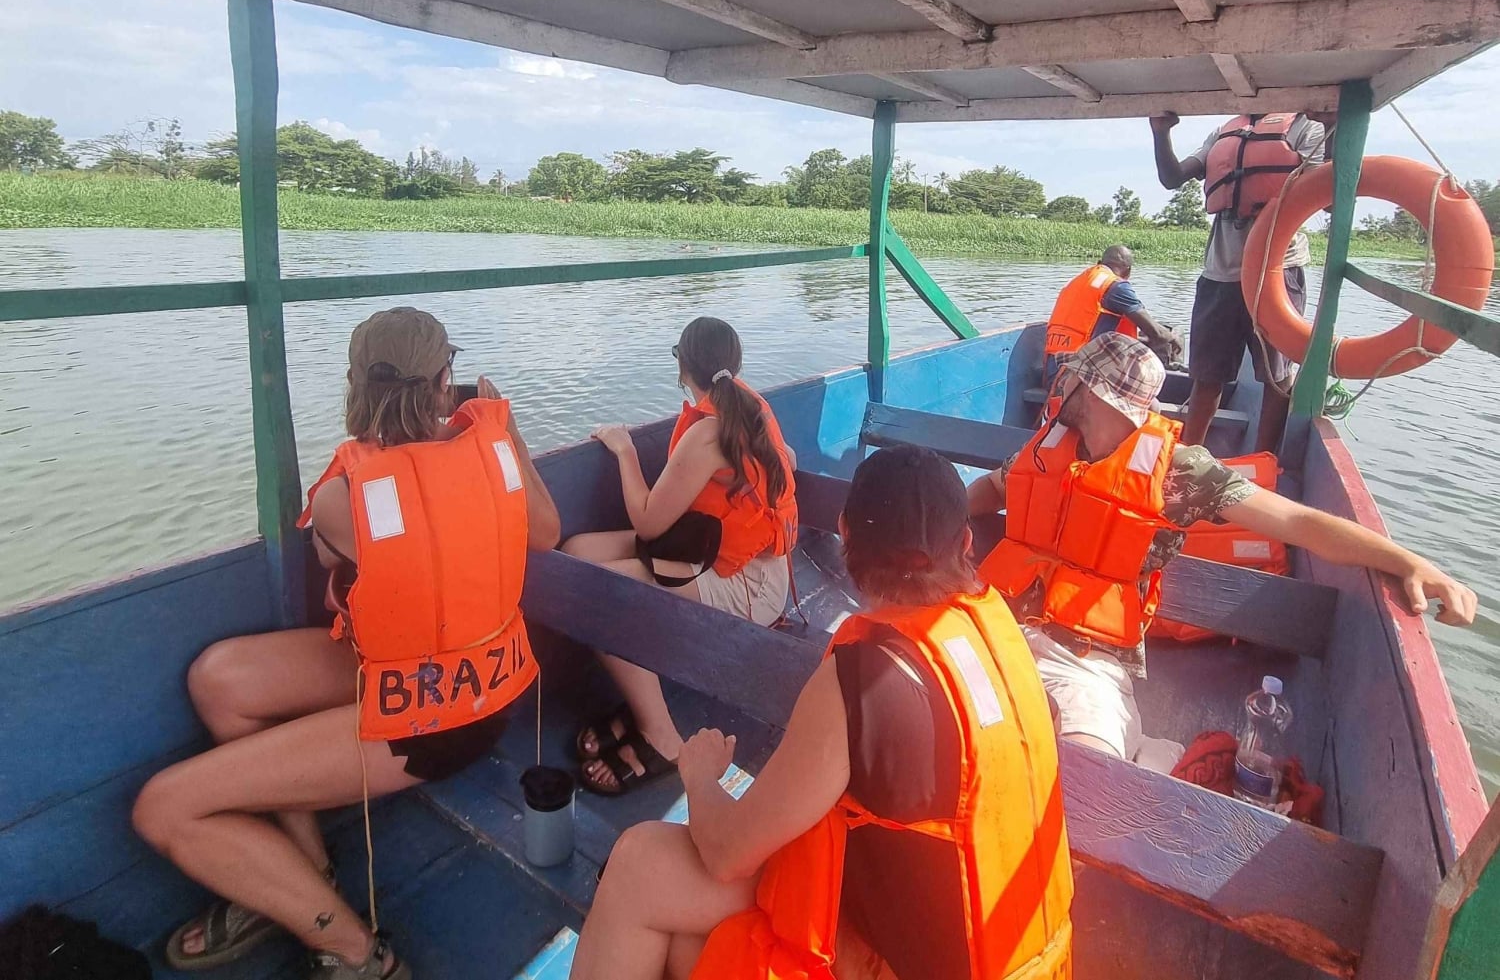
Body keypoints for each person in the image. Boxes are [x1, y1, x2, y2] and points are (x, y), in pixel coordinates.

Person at [132, 307, 560, 980]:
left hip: (434, 722)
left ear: (354, 383)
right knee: (220, 678)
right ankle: (299, 875)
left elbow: (366, 544)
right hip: (441, 678)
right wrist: (504, 427)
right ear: (447, 381)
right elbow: (546, 530)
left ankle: (360, 954)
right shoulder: (492, 451)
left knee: (164, 807)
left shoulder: (342, 493)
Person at [569, 446, 1073, 980]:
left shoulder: (866, 681)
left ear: (844, 536)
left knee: (637, 864)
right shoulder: (1005, 641)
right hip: (1015, 960)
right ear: (968, 543)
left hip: (884, 957)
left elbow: (726, 854)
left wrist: (698, 775)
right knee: (677, 941)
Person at [968, 332, 1477, 767]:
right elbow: (993, 490)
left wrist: (1409, 562)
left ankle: (1146, 750)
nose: (1060, 386)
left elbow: (1298, 521)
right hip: (998, 624)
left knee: (1087, 777)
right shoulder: (1049, 444)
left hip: (1087, 658)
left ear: (1090, 387)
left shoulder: (1179, 472)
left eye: (1070, 377)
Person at [562, 316, 798, 796]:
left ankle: (662, 737)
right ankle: (640, 687)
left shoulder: (707, 433)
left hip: (749, 587)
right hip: (723, 555)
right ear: (735, 363)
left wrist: (626, 450)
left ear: (681, 366)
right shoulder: (750, 407)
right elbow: (787, 458)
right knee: (575, 555)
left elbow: (649, 522)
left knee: (593, 598)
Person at [1151, 111, 1328, 453]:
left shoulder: (1310, 127)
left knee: (1276, 376)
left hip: (1277, 270)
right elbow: (1172, 177)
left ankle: (1263, 461)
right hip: (1221, 272)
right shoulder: (1224, 132)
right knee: (1207, 376)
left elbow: (1326, 192)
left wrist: (1334, 126)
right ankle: (1189, 459)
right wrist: (1160, 132)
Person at [1043, 244, 1182, 385]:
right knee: (1153, 403)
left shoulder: (1078, 281)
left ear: (1099, 263)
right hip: (1077, 376)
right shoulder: (1116, 286)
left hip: (1053, 373)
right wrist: (1173, 338)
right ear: (1128, 271)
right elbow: (1157, 334)